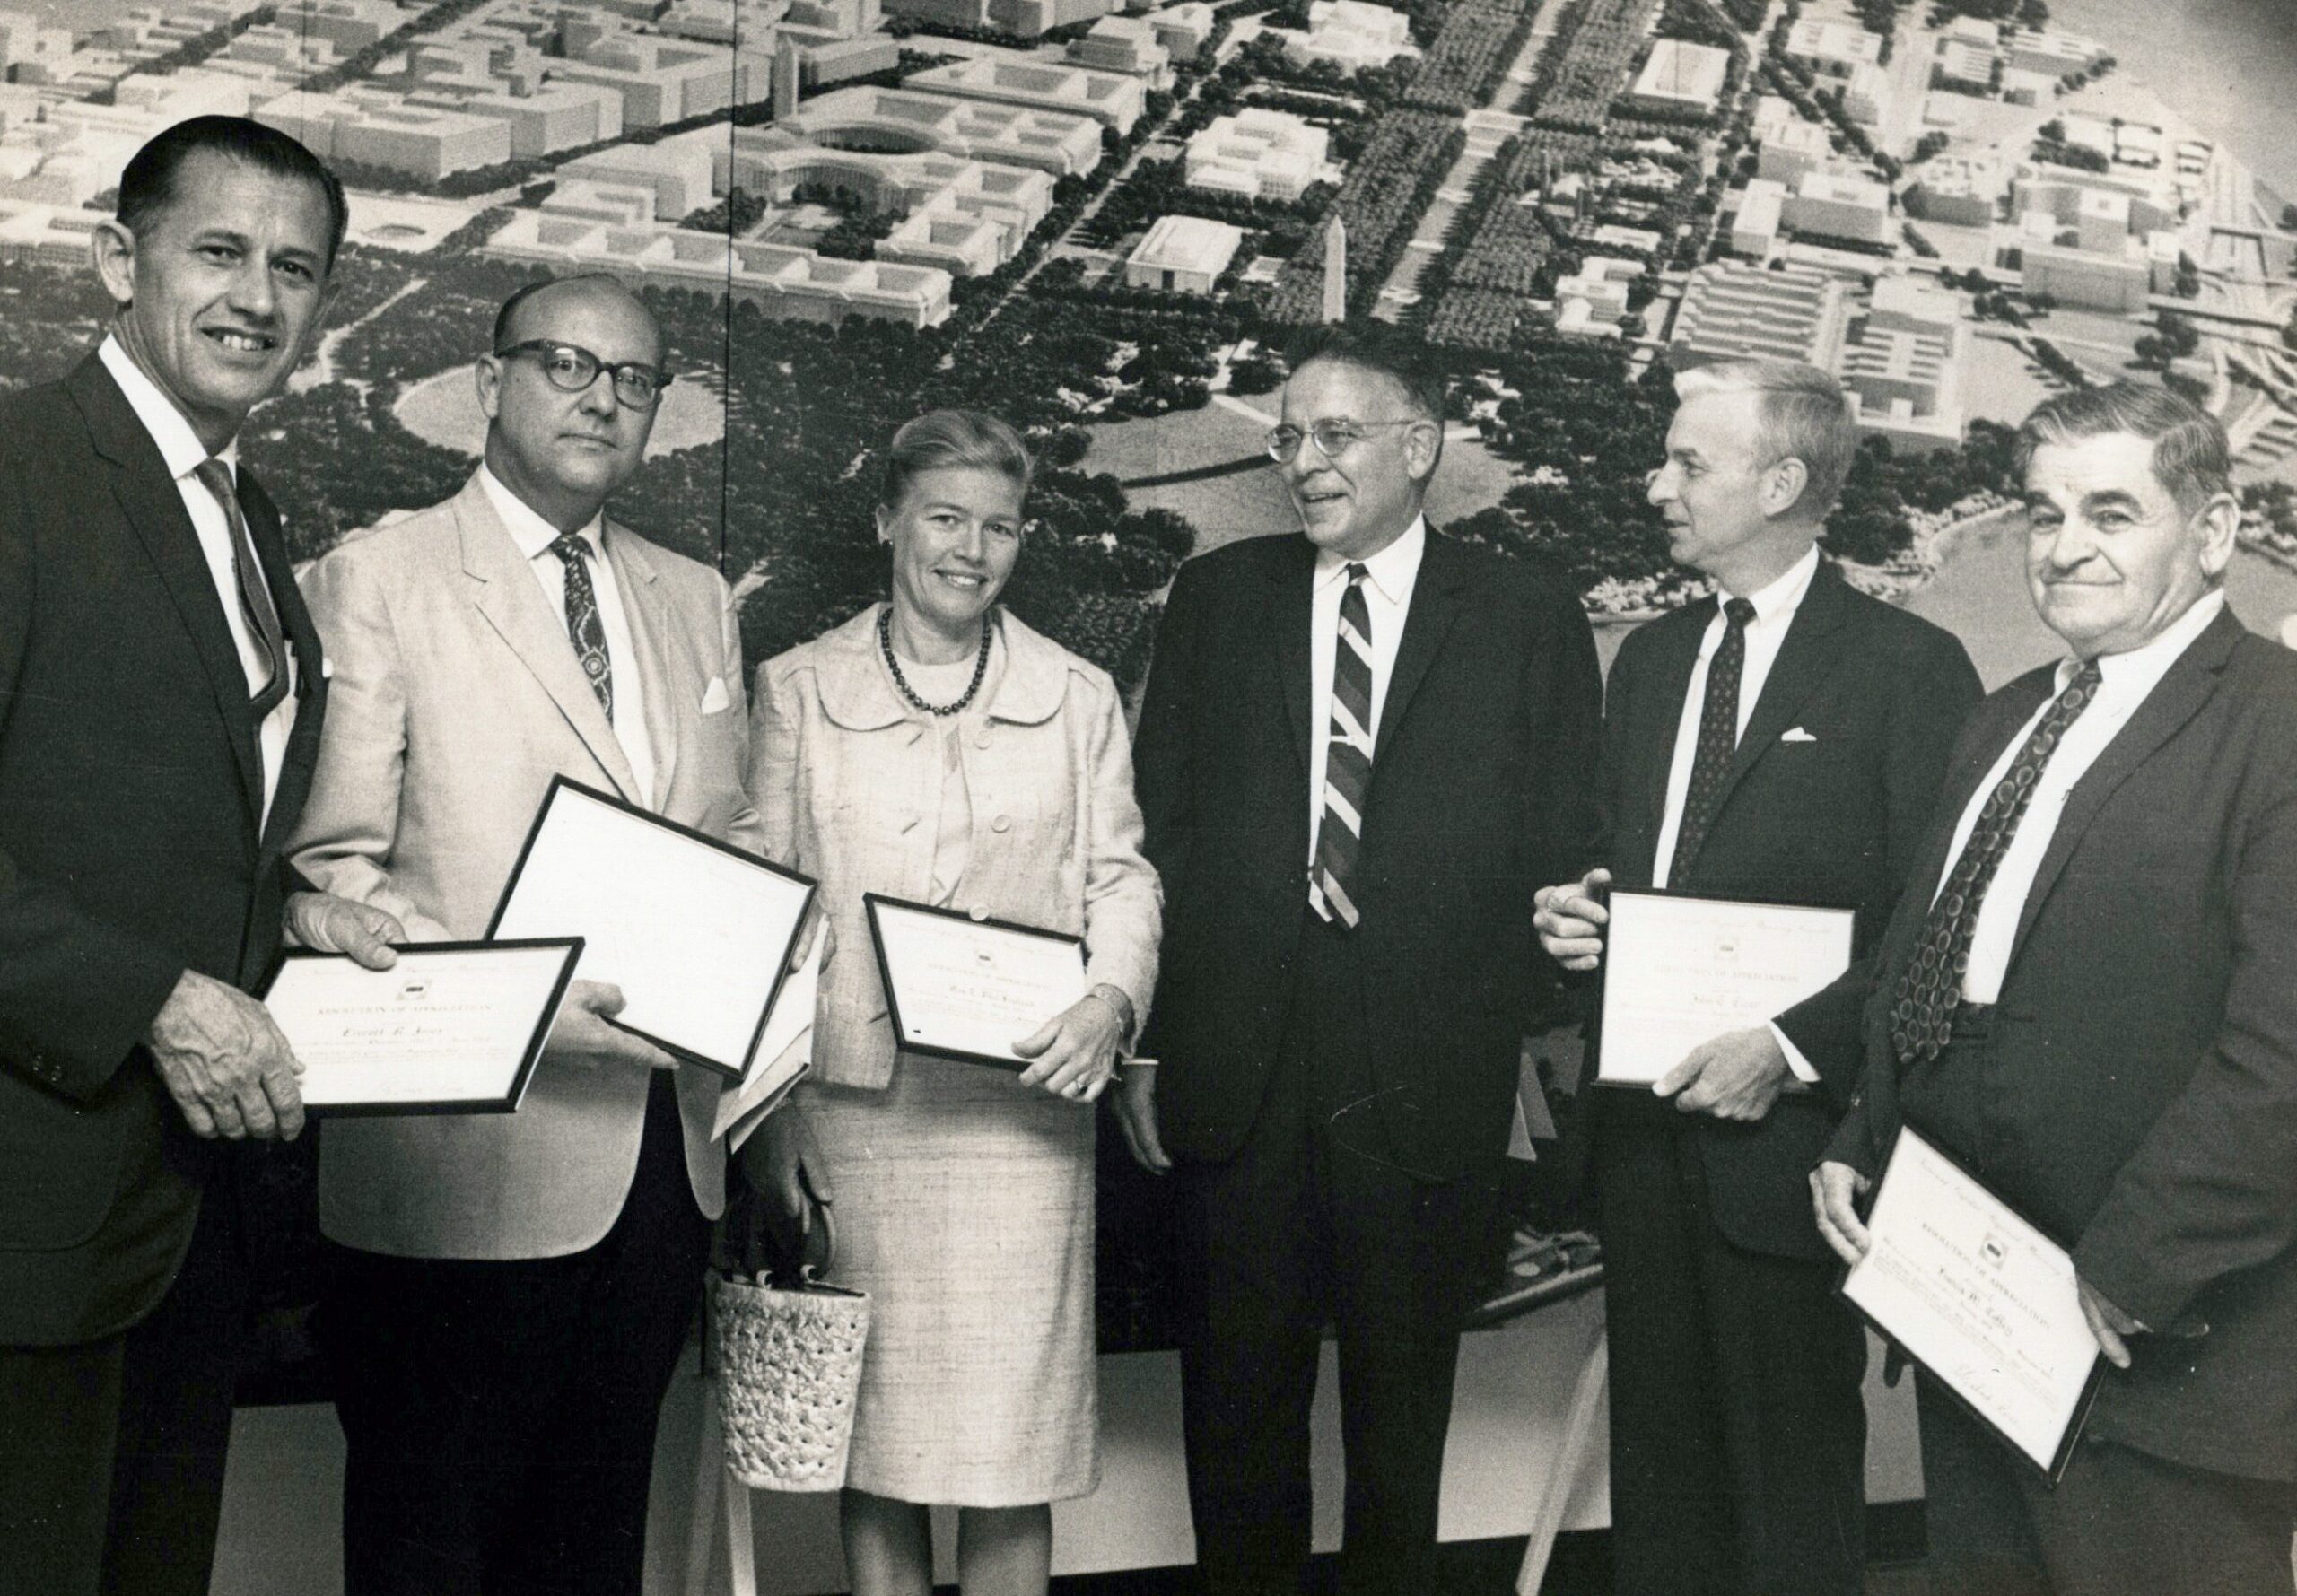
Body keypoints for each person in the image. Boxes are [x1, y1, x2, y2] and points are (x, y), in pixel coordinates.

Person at [289, 274, 759, 1596]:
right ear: (491, 383)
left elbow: (733, 836)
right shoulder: (378, 577)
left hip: (663, 1166)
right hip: (461, 1165)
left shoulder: (694, 593)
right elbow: (334, 873)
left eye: (635, 380)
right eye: (567, 364)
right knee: (430, 1549)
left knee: (594, 1548)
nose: (602, 398)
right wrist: (533, 1000)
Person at [1129, 322, 1604, 1594]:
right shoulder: (1221, 602)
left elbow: (1567, 849)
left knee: (1403, 1437)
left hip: (1426, 1088)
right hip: (1240, 1077)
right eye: (1288, 437)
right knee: (1234, 1426)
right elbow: (1156, 831)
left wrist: (1508, 998)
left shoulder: (1525, 616)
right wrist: (1154, 1043)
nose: (1304, 462)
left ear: (1420, 446)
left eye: (1335, 435)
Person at [0, 117, 399, 1596]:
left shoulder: (247, 511)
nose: (258, 298)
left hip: (185, 1219)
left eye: (297, 269)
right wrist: (158, 998)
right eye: (219, 252)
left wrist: (296, 911)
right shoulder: (21, 466)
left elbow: (154, 812)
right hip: (34, 1200)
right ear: (119, 256)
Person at [1813, 383, 2297, 1596]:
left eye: (2113, 513)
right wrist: (1860, 1133)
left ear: (2217, 531)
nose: (2065, 547)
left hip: (2157, 1350)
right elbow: (1928, 962)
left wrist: (2129, 1270)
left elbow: (2282, 1053)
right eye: (2044, 513)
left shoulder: (2280, 726)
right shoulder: (2002, 719)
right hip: (1972, 1325)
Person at [1532, 359, 1980, 1596]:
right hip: (1642, 1142)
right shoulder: (1656, 661)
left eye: (1688, 463)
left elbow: (1935, 924)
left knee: (1790, 1503)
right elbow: (1640, 870)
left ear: (1784, 483)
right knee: (1662, 1498)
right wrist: (1585, 916)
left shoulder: (1909, 669)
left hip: (1789, 1157)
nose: (1655, 485)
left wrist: (1786, 1051)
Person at [745, 409, 1160, 1596]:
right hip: (858, 1116)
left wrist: (1111, 1002)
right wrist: (771, 1117)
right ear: (888, 523)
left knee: (1006, 1447)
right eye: (943, 519)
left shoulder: (1077, 696)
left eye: (998, 526)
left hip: (1021, 1119)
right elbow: (769, 921)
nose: (970, 550)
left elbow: (1121, 879)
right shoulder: (799, 689)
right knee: (879, 1443)